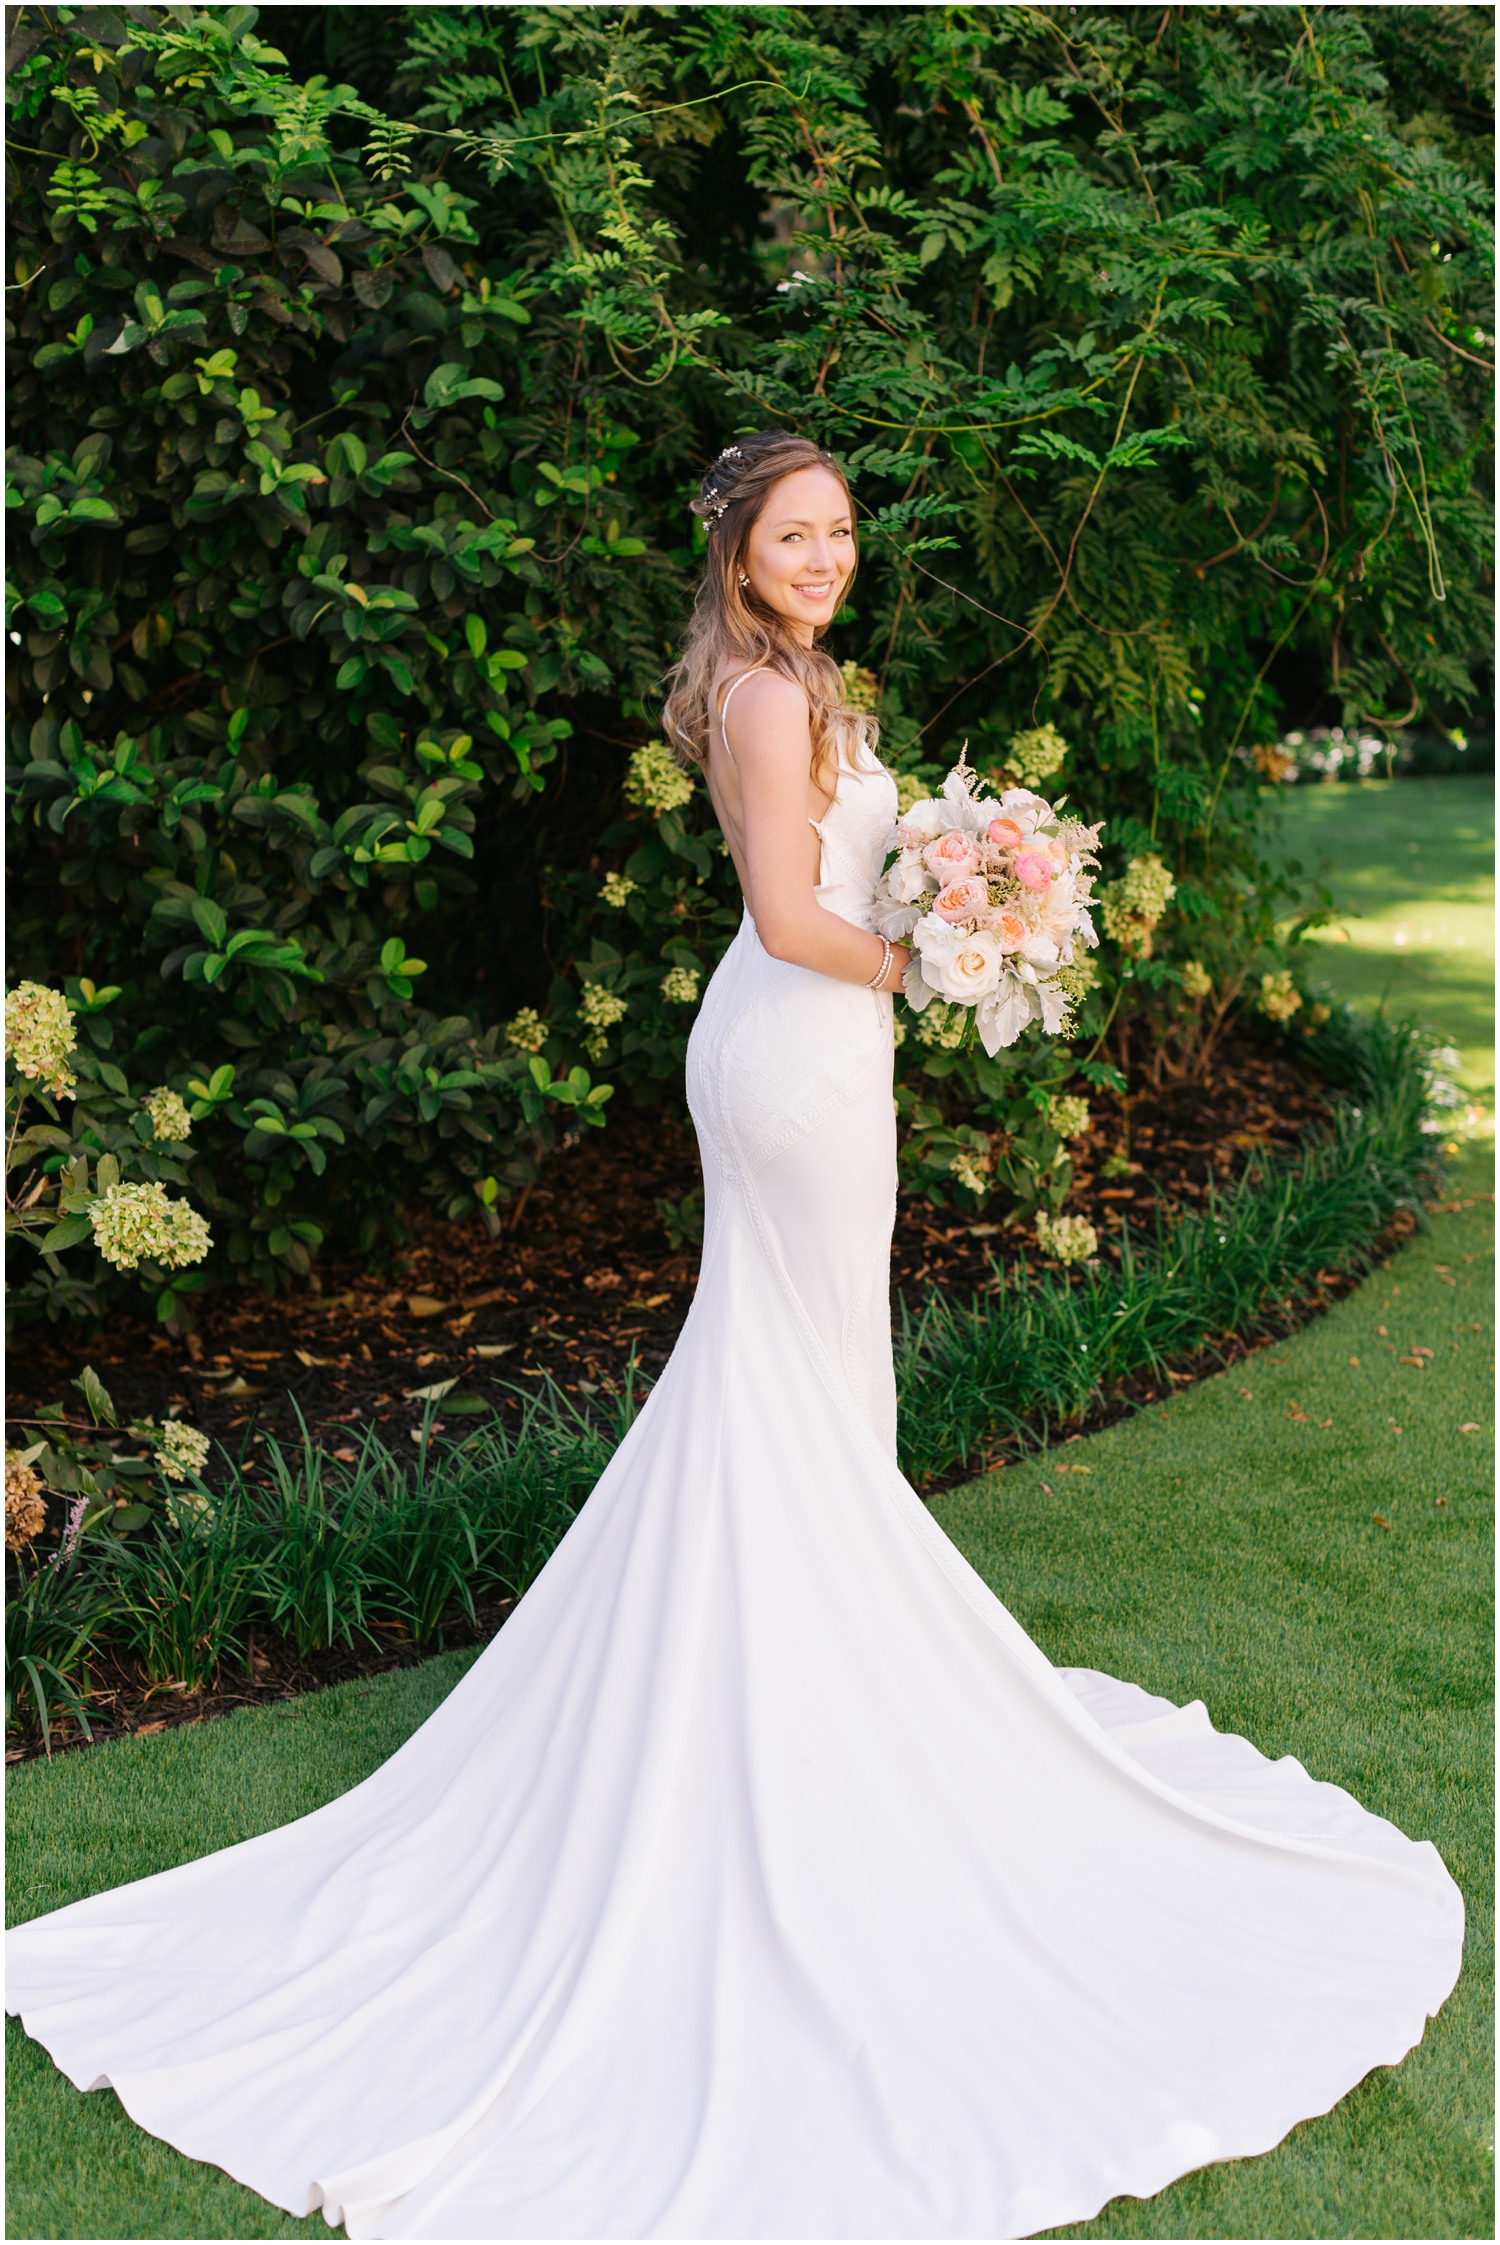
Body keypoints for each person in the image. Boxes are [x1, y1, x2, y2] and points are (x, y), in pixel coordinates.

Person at [6, 430, 1464, 2243]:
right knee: (794, 1386)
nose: (826, 553)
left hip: (809, 1050)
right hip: (793, 1053)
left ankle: (814, 1703)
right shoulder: (767, 703)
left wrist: (962, 896)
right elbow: (792, 918)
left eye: (841, 529)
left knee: (807, 1387)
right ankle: (794, 1739)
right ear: (739, 555)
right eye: (796, 533)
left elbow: (833, 892)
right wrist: (951, 949)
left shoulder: (806, 681)